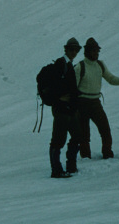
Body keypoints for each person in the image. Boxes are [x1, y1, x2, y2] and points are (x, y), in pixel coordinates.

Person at [75, 37, 119, 159]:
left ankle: (107, 153)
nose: (96, 53)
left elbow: (110, 78)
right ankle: (86, 156)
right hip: (82, 102)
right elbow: (73, 88)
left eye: (97, 51)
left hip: (95, 102)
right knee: (84, 134)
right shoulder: (80, 67)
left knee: (105, 129)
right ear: (87, 52)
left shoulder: (100, 65)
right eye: (94, 51)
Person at [49, 37, 82, 178]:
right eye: (71, 49)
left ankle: (71, 166)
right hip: (62, 109)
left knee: (77, 136)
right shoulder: (61, 64)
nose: (74, 52)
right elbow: (53, 85)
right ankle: (57, 170)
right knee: (58, 139)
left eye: (76, 50)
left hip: (70, 109)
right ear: (66, 49)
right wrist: (58, 98)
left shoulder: (68, 64)